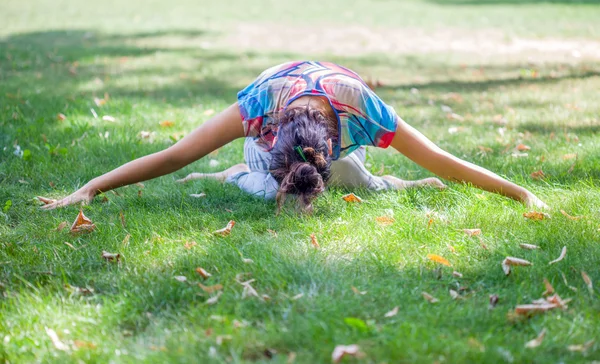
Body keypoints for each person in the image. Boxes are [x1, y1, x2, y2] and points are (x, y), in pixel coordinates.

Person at [41, 61, 547, 213]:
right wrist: (89, 187)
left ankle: (376, 180)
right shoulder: (260, 107)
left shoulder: (362, 108)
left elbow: (442, 161)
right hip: (263, 158)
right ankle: (240, 172)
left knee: (358, 184)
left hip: (332, 148)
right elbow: (175, 156)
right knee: (266, 192)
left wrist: (522, 192)